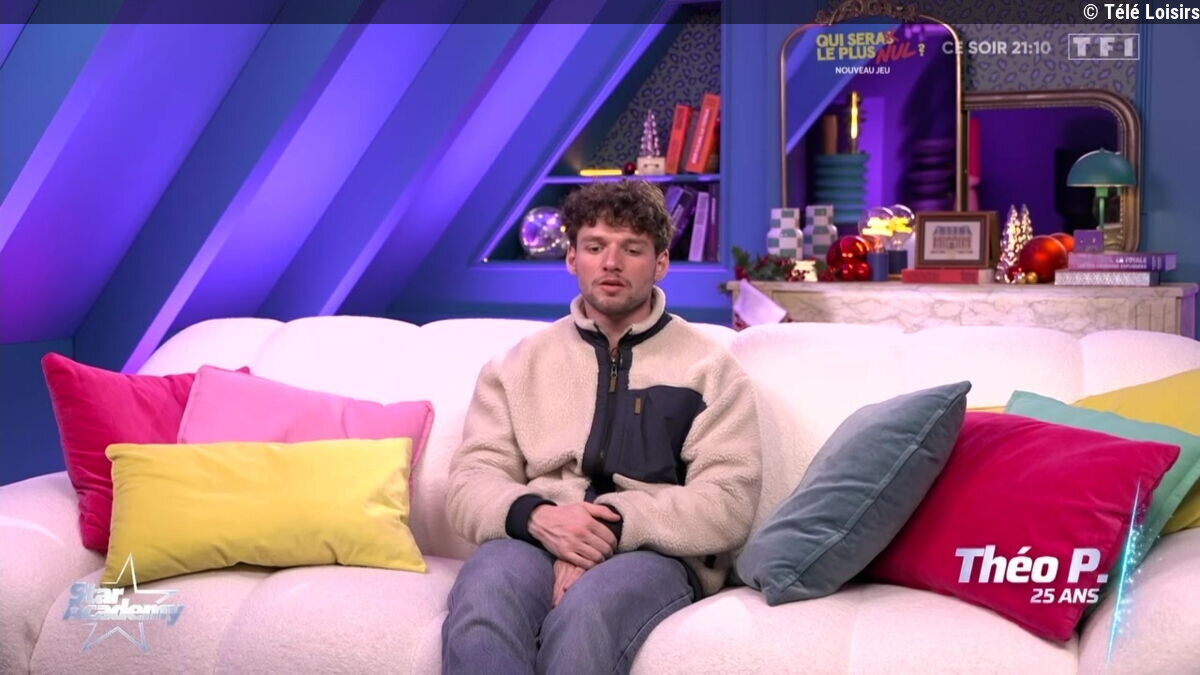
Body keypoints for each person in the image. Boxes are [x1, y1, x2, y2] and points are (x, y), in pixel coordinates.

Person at [441, 180, 762, 675]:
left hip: (655, 552)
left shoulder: (710, 369)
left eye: (631, 249)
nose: (611, 263)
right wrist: (540, 518)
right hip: (536, 536)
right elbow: (470, 482)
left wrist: (606, 527)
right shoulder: (517, 365)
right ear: (572, 258)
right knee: (483, 600)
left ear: (660, 263)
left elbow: (729, 501)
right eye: (595, 247)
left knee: (586, 616)